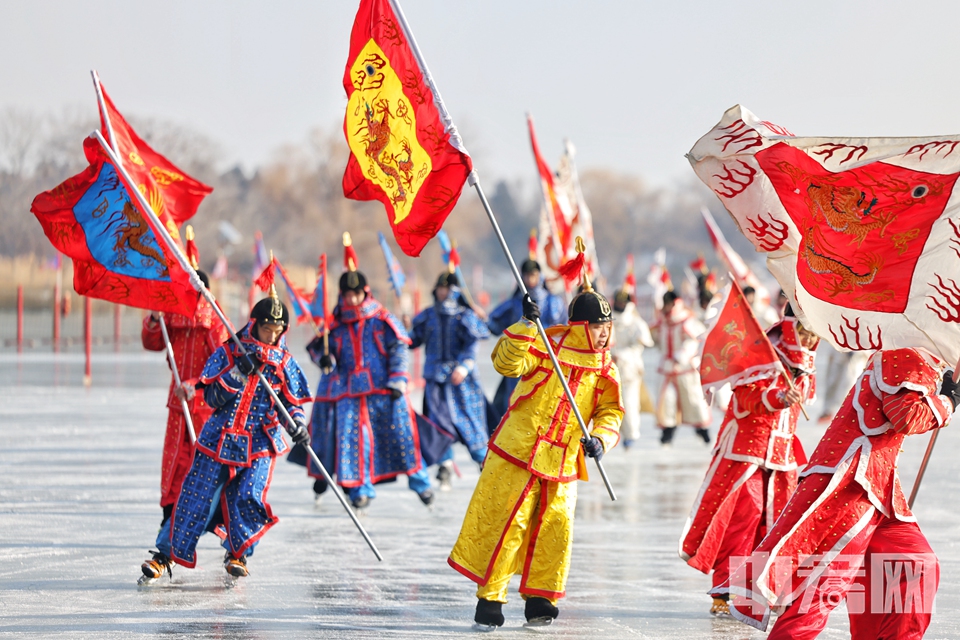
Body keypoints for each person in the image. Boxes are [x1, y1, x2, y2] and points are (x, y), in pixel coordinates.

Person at [724, 348, 958, 638]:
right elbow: (905, 415)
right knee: (823, 589)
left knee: (917, 565)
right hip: (849, 486)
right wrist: (947, 401)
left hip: (879, 490)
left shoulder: (919, 358)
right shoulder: (906, 353)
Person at [448, 277, 623, 629]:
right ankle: (491, 599)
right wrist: (526, 325)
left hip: (563, 461)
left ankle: (541, 599)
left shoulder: (605, 367)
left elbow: (610, 411)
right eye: (596, 327)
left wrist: (600, 438)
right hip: (519, 452)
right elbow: (506, 364)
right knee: (506, 525)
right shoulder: (547, 346)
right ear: (579, 326)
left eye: (606, 327)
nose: (603, 334)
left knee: (555, 531)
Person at [139, 293, 311, 582]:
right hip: (219, 437)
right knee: (197, 497)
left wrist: (297, 425)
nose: (270, 336)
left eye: (277, 331)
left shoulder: (285, 363)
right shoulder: (230, 350)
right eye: (266, 329)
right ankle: (164, 555)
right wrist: (237, 373)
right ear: (254, 325)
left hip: (259, 441)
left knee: (249, 497)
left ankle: (238, 554)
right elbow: (213, 397)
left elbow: (291, 404)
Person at [679, 310, 819, 616]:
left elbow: (806, 400)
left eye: (813, 334)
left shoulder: (805, 361)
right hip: (747, 448)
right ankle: (726, 588)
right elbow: (745, 397)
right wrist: (777, 396)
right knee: (744, 515)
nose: (808, 340)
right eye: (804, 333)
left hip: (782, 453)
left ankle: (764, 588)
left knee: (777, 519)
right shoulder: (761, 350)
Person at [293, 251, 434, 510]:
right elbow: (322, 350)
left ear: (366, 293)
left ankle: (421, 482)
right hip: (348, 390)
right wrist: (325, 359)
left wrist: (398, 379)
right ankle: (359, 488)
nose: (352, 300)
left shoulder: (382, 319)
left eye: (356, 294)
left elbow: (399, 348)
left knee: (402, 436)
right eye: (347, 295)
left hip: (383, 387)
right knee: (352, 440)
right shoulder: (335, 324)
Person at [141, 270, 228, 528]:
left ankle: (215, 518)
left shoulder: (215, 321)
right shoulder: (171, 314)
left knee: (204, 461)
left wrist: (195, 385)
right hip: (177, 401)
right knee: (174, 460)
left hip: (205, 403)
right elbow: (153, 343)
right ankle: (170, 512)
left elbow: (223, 362)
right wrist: (155, 319)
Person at [409, 269, 490, 489]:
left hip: (461, 380)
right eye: (441, 288)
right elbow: (412, 341)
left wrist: (465, 366)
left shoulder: (464, 315)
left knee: (470, 423)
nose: (443, 292)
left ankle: (485, 464)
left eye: (447, 288)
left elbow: (473, 343)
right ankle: (444, 464)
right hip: (436, 381)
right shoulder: (428, 315)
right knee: (439, 424)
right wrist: (403, 330)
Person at [487, 253, 566, 427]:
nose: (531, 278)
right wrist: (483, 319)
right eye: (528, 275)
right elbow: (493, 325)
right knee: (516, 401)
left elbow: (566, 329)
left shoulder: (555, 302)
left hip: (548, 359)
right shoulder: (514, 303)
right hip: (521, 359)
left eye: (534, 275)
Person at [651, 290, 712, 446]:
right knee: (667, 401)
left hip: (685, 368)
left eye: (668, 303)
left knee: (693, 400)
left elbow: (694, 340)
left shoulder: (686, 320)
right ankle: (667, 433)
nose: (665, 307)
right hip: (667, 368)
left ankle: (703, 431)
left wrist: (682, 354)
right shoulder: (662, 321)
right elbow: (656, 339)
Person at [610, 286, 653, 449]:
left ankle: (631, 434)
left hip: (629, 369)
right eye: (618, 301)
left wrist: (622, 354)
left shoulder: (635, 322)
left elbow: (639, 346)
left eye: (623, 301)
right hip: (610, 366)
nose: (620, 304)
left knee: (629, 402)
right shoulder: (609, 319)